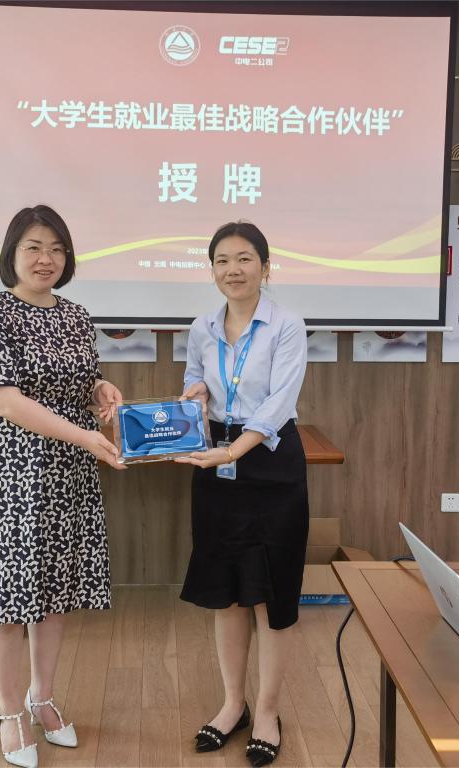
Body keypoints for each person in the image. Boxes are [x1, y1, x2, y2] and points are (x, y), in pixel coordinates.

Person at [0, 205, 125, 768]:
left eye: (56, 248)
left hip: (67, 468)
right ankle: (10, 712)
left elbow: (79, 383)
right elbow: (5, 400)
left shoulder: (76, 316)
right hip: (8, 469)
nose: (45, 258)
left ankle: (43, 697)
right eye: (33, 246)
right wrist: (83, 434)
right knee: (8, 596)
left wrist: (100, 390)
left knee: (55, 591)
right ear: (12, 252)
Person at [176, 221, 309, 767]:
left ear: (265, 267)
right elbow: (193, 380)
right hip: (216, 464)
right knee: (227, 591)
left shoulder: (287, 324)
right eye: (222, 261)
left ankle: (269, 712)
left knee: (272, 596)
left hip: (270, 463)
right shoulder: (202, 326)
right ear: (212, 270)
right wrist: (195, 396)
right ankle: (234, 704)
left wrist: (233, 451)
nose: (233, 270)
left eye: (245, 258)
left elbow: (280, 401)